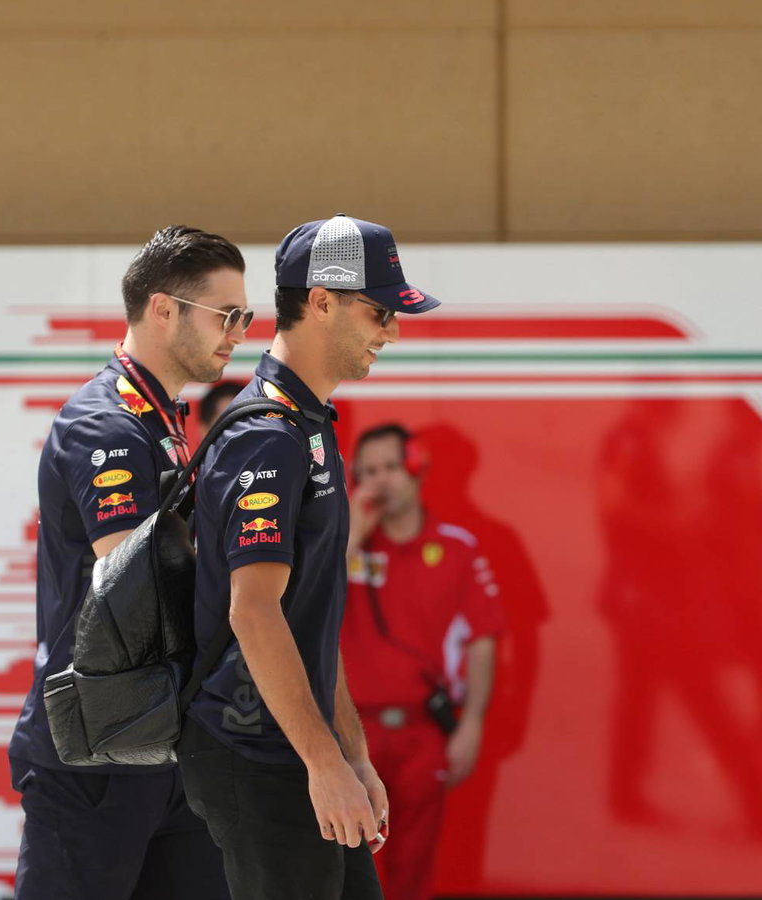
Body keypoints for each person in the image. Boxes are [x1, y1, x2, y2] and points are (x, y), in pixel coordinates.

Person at [178, 214, 441, 900]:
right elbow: (254, 613)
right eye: (380, 311)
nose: (392, 332)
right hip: (256, 753)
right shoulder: (269, 436)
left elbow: (309, 620)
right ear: (321, 301)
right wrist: (325, 764)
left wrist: (352, 754)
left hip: (295, 749)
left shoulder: (309, 425)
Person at [8, 225, 249, 900]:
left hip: (165, 739)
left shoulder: (161, 417)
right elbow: (140, 585)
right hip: (95, 748)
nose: (239, 332)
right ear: (163, 309)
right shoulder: (105, 424)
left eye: (245, 314)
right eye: (226, 314)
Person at [342, 423, 506, 900]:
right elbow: (307, 601)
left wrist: (471, 724)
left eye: (391, 467)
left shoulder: (456, 547)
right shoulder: (343, 548)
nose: (381, 481)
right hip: (353, 735)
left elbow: (482, 639)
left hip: (423, 734)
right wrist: (353, 532)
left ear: (416, 468)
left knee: (413, 869)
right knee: (354, 871)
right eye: (369, 471)